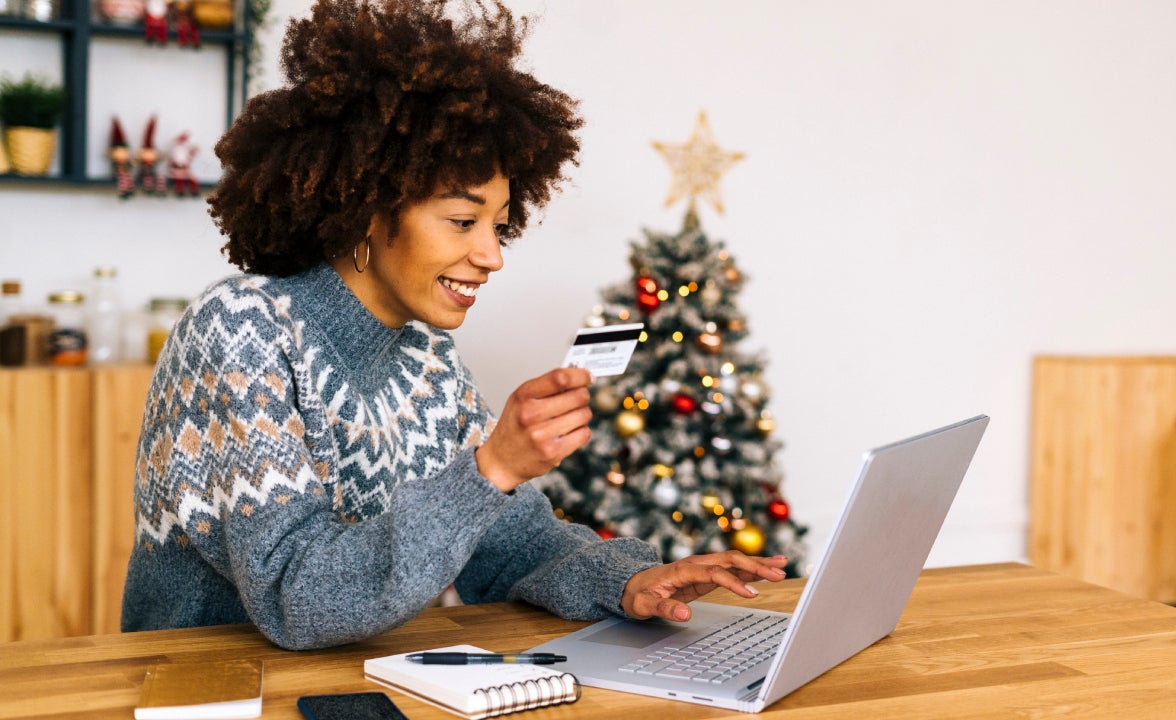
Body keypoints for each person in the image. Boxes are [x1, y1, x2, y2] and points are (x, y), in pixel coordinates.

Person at [120, 0, 787, 651]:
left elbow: (509, 545)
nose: (491, 255)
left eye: (499, 226)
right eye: (463, 222)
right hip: (211, 689)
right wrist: (491, 465)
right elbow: (300, 597)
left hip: (351, 681)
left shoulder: (427, 358)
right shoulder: (239, 328)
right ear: (365, 208)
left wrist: (632, 579)